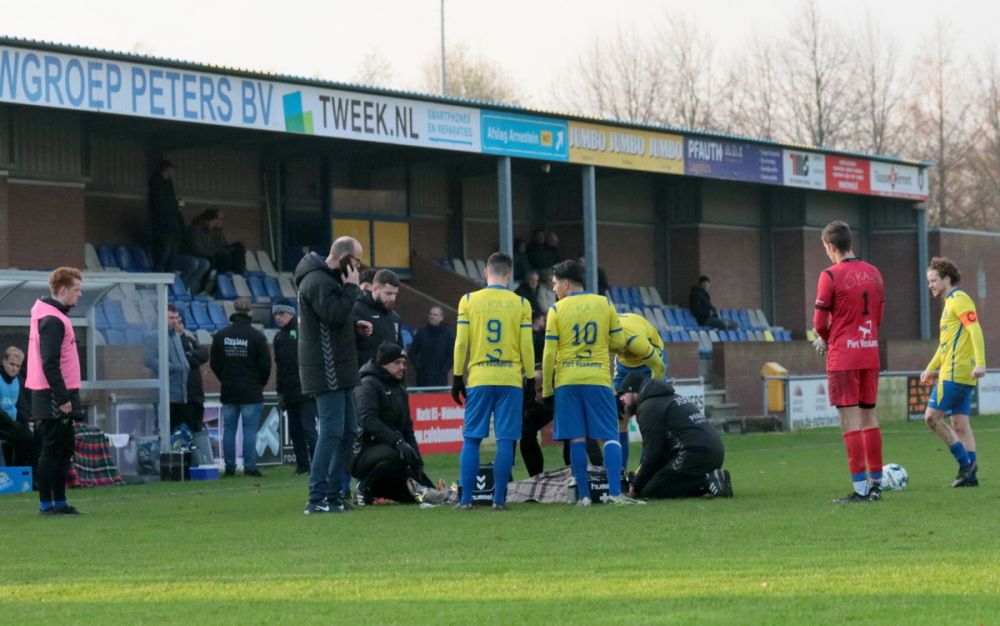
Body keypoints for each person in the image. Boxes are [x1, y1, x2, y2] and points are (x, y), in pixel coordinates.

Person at [541, 260, 643, 506]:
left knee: (576, 438)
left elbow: (548, 354)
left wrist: (546, 388)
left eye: (555, 285)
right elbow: (619, 343)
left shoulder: (556, 310)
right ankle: (615, 493)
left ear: (566, 284)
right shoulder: (603, 303)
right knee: (610, 435)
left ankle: (584, 497)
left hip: (567, 381)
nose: (554, 290)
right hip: (597, 378)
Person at [451, 251, 534, 510]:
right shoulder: (521, 304)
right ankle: (499, 500)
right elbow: (526, 346)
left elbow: (461, 341)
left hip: (479, 376)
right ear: (508, 276)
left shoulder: (468, 300)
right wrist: (530, 378)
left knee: (472, 438)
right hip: (510, 378)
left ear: (486, 273)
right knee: (506, 439)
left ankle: (465, 501)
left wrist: (456, 376)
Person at [812, 221, 885, 503]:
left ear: (831, 247)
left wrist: (828, 339)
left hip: (843, 356)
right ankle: (876, 484)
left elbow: (819, 323)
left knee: (849, 420)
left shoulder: (830, 275)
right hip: (870, 353)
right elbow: (878, 318)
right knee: (869, 415)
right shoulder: (875, 273)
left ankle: (860, 490)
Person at [295, 236, 364, 514]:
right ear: (345, 257)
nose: (358, 267)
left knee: (349, 431)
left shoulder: (326, 280)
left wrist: (354, 325)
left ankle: (333, 494)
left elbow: (334, 319)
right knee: (332, 431)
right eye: (357, 261)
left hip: (339, 366)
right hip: (327, 369)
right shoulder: (317, 281)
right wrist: (351, 289)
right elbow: (333, 315)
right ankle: (317, 497)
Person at [920, 257, 987, 487]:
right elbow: (944, 346)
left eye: (933, 280)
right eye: (928, 281)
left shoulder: (959, 299)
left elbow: (975, 329)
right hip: (959, 374)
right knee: (960, 425)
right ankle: (971, 477)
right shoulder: (950, 303)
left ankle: (966, 465)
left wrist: (981, 363)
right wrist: (930, 368)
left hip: (955, 374)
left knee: (931, 418)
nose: (930, 285)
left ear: (947, 279)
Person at [353, 342, 446, 505]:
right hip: (362, 451)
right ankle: (364, 487)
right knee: (400, 455)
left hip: (391, 450)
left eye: (404, 363)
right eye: (397, 363)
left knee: (415, 493)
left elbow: (407, 429)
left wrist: (417, 462)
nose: (402, 367)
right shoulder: (367, 384)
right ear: (383, 363)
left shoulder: (400, 390)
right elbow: (368, 420)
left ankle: (380, 493)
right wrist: (398, 442)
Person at [25, 267, 85, 515]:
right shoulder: (52, 320)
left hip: (57, 391)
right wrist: (62, 398)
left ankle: (59, 501)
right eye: (76, 290)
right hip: (53, 393)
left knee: (63, 447)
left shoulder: (52, 315)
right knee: (52, 448)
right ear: (62, 290)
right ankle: (47, 503)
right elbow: (50, 362)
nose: (79, 295)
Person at [618, 372, 732, 499]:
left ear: (634, 391)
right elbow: (664, 449)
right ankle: (712, 478)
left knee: (650, 491)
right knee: (656, 482)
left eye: (624, 393)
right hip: (713, 452)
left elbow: (653, 454)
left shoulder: (648, 407)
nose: (621, 398)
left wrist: (635, 488)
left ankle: (707, 482)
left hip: (693, 453)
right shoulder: (670, 398)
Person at [210, 297, 272, 477]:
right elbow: (265, 365)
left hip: (229, 389)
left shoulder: (222, 335)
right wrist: (258, 383)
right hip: (251, 390)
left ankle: (229, 467)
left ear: (233, 311)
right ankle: (250, 466)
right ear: (250, 312)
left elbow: (215, 363)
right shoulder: (256, 336)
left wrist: (225, 378)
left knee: (228, 430)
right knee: (249, 430)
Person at [613, 312, 667, 469]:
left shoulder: (635, 340)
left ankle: (644, 469)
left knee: (650, 417)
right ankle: (619, 473)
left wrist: (653, 397)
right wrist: (616, 394)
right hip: (624, 366)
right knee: (620, 415)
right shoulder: (604, 336)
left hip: (650, 362)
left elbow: (659, 367)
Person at [272, 300, 317, 475]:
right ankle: (302, 466)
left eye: (281, 314)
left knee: (308, 429)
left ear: (291, 313)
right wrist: (280, 391)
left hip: (305, 390)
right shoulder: (279, 337)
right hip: (289, 391)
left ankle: (318, 464)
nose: (278, 317)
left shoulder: (302, 330)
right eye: (276, 314)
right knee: (295, 431)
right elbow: (280, 367)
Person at [143, 304, 191, 432]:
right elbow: (148, 359)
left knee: (178, 432)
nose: (175, 321)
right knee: (164, 430)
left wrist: (184, 366)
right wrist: (172, 367)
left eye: (176, 318)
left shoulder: (175, 336)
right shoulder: (155, 336)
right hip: (165, 394)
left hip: (180, 394)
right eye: (171, 318)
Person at [353, 269, 404, 368]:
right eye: (388, 293)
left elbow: (399, 349)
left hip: (389, 379)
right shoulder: (356, 310)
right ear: (375, 289)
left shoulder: (395, 318)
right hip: (364, 378)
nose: (393, 298)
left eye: (395, 294)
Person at [188, 209, 246, 275]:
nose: (220, 221)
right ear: (209, 219)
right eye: (218, 219)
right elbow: (197, 249)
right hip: (207, 256)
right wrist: (218, 252)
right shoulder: (196, 229)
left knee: (239, 247)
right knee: (224, 257)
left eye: (221, 219)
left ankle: (239, 274)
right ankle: (221, 279)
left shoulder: (217, 231)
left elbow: (224, 246)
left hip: (216, 254)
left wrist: (228, 250)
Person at [408, 306, 455, 387]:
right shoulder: (422, 332)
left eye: (435, 315)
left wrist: (444, 370)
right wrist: (419, 368)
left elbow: (453, 355)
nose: (432, 317)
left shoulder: (448, 333)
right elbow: (412, 353)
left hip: (440, 379)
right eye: (431, 314)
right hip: (423, 378)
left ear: (441, 318)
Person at [0, 347, 32, 467]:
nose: (14, 368)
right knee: (24, 437)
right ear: (4, 362)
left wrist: (24, 423)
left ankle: (21, 473)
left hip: (12, 425)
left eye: (18, 366)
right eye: (11, 364)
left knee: (31, 437)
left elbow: (22, 407)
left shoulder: (19, 382)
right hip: (4, 423)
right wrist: (13, 424)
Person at [177, 316, 209, 432]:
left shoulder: (190, 340)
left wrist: (190, 355)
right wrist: (192, 357)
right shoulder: (168, 343)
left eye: (180, 322)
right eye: (176, 322)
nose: (178, 325)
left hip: (196, 394)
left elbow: (205, 354)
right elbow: (180, 360)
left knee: (197, 429)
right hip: (181, 396)